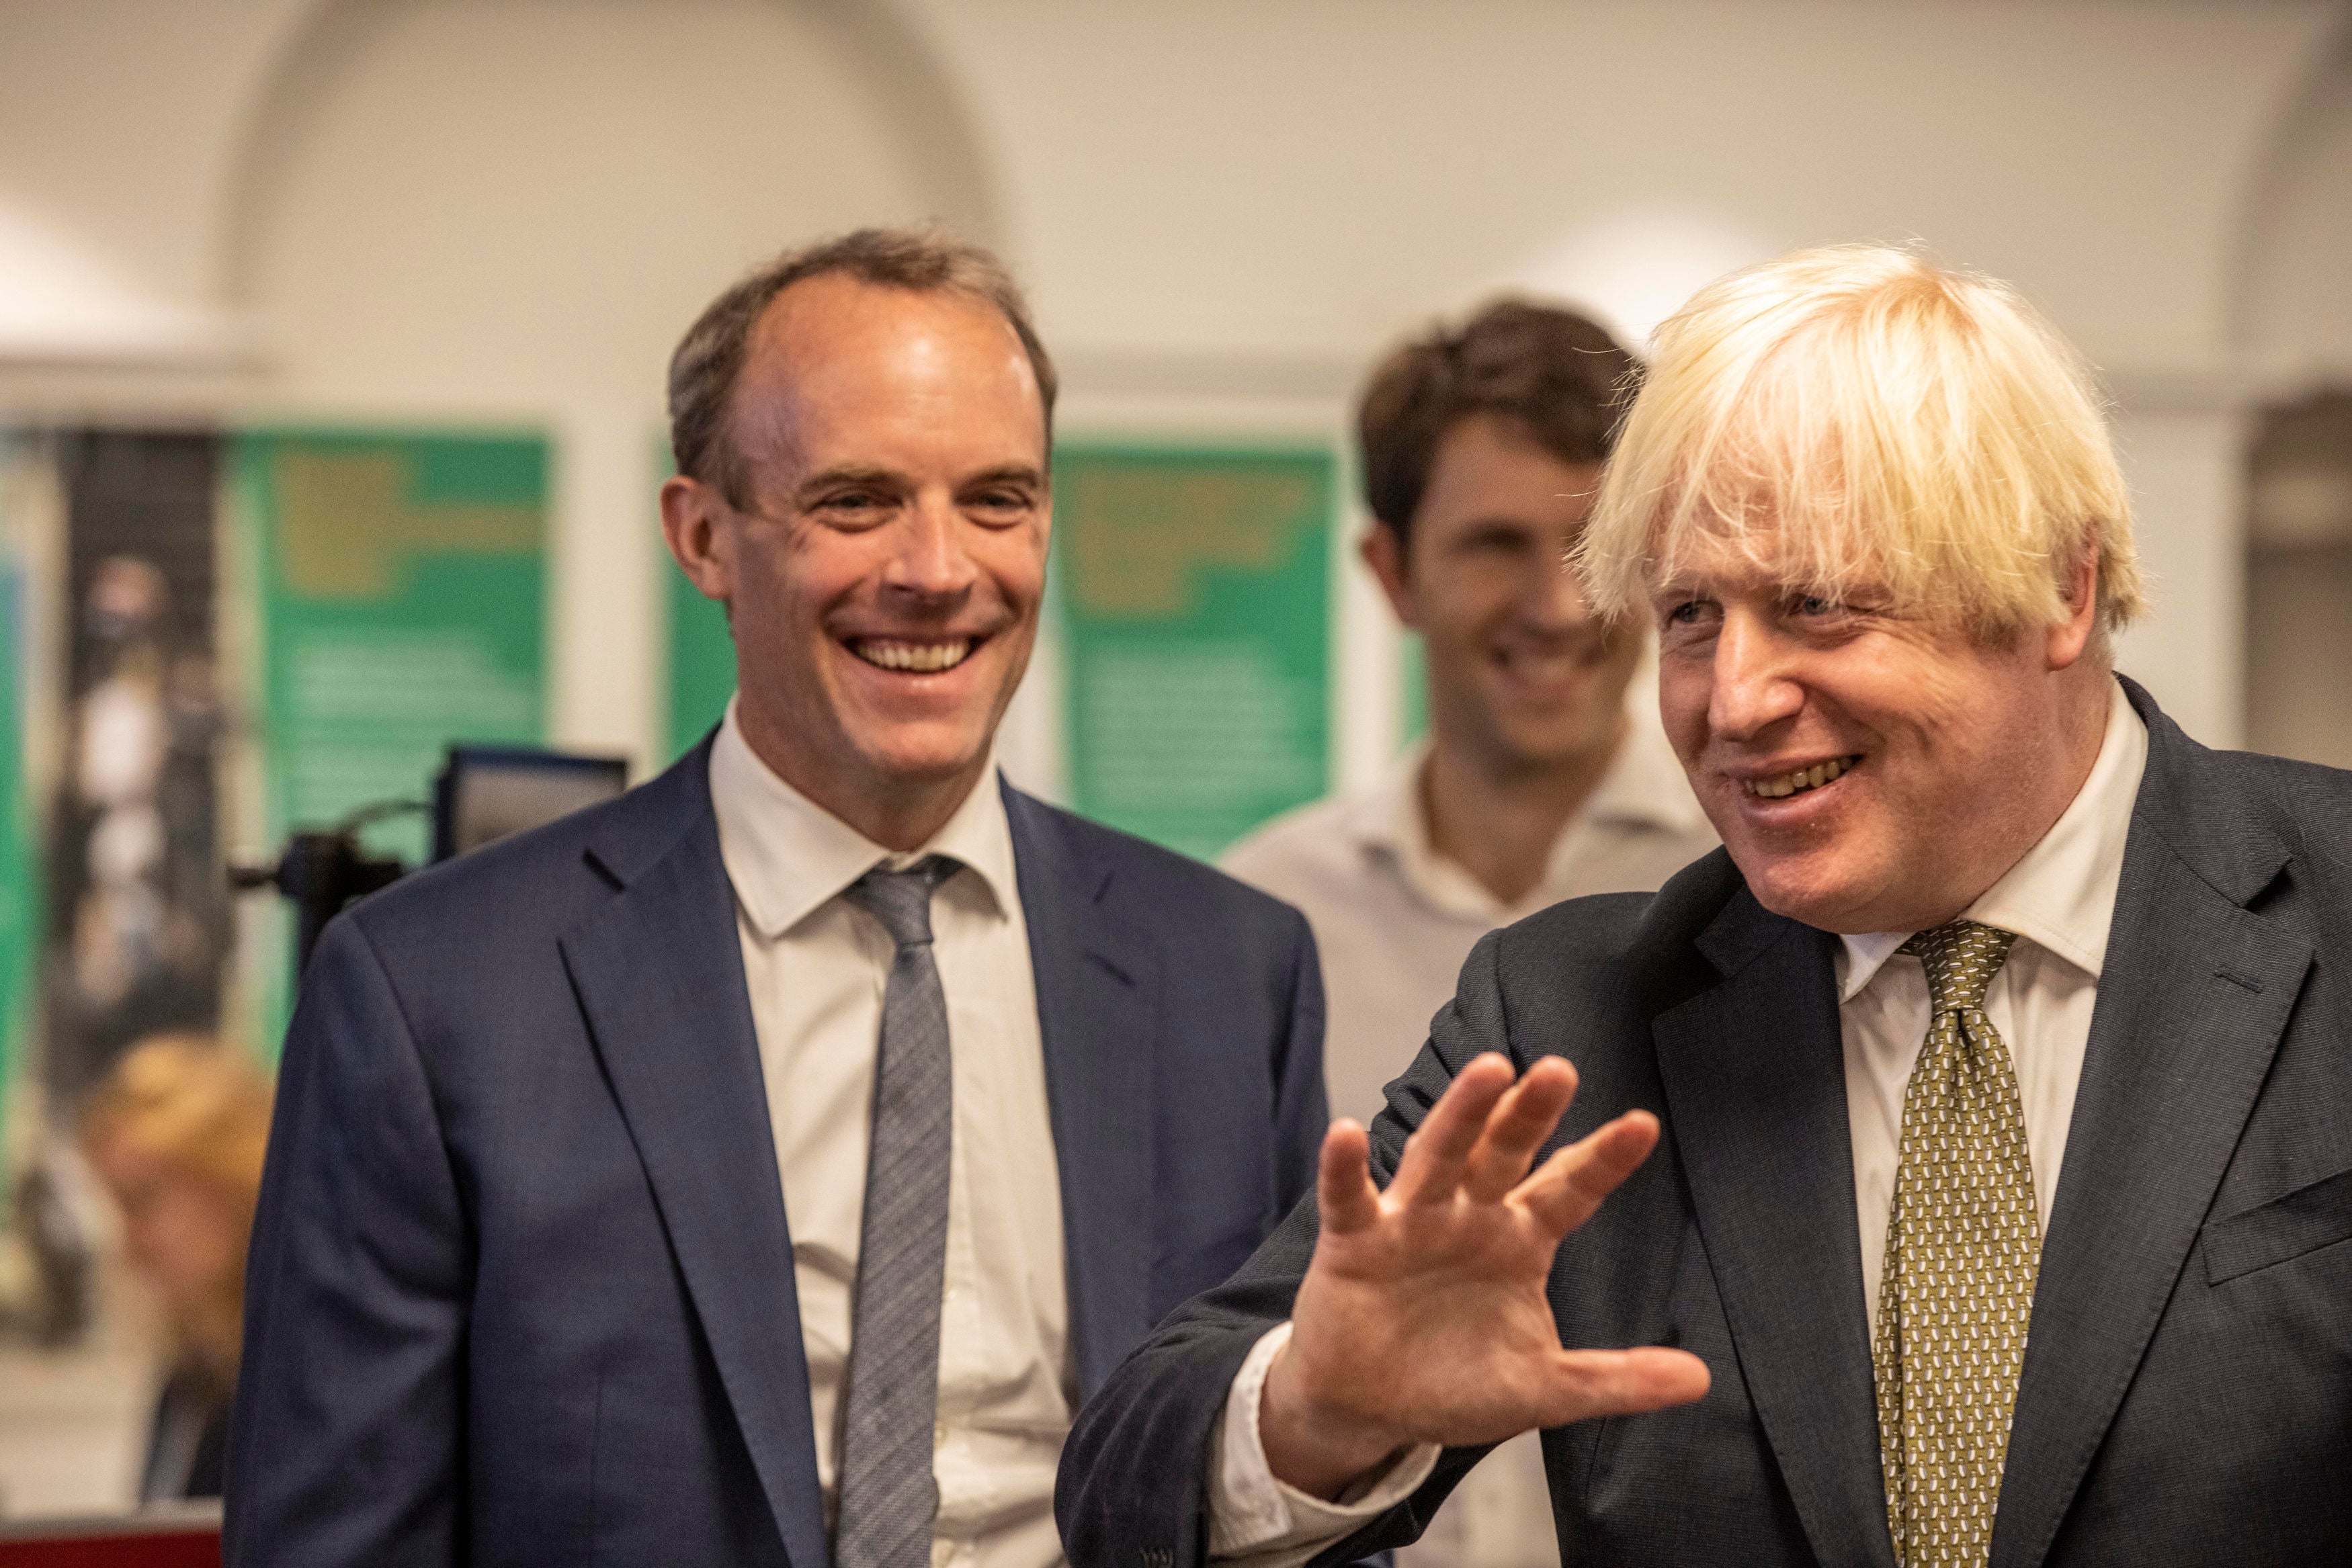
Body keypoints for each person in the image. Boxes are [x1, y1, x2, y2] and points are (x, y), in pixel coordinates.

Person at [1058, 244, 2352, 1567]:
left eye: (1816, 603)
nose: (1731, 701)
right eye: (1688, 613)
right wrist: (1316, 1415)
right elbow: (1127, 1483)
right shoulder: (1575, 1008)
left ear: (2060, 588)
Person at [226, 228, 1330, 1567]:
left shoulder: (1229, 974)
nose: (936, 568)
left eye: (996, 500)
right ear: (702, 535)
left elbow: (1289, 1494)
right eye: (856, 501)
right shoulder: (435, 995)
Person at [1219, 300, 1714, 1568]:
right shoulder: (1264, 917)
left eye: (1588, 544)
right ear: (1390, 571)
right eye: (1496, 544)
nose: (1555, 604)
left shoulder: (1757, 889)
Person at [81, 1033, 272, 1503]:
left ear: (231, 1178)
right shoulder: (191, 1382)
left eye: (142, 1200)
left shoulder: (302, 1382)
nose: (131, 1244)